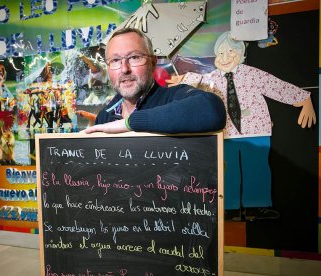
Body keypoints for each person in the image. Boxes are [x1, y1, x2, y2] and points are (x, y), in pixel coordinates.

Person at [168, 31, 316, 221]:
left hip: (256, 130)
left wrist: (304, 99)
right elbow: (196, 83)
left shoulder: (252, 74)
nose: (225, 57)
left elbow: (275, 85)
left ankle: (257, 206)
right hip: (225, 132)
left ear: (241, 55)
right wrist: (183, 81)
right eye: (221, 53)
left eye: (231, 52)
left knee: (258, 167)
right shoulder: (211, 78)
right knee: (228, 170)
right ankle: (229, 207)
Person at [83, 27, 226, 135]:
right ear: (108, 68)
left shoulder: (172, 98)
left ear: (153, 63)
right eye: (115, 60)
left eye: (134, 57)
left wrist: (130, 123)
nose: (125, 69)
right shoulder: (104, 117)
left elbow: (212, 109)